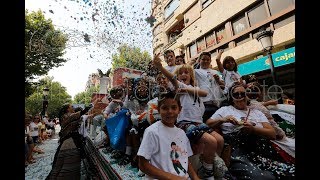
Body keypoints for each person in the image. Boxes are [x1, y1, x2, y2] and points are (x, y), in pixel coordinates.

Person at [153, 53, 226, 179]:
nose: (183, 75)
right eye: (180, 73)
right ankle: (207, 171)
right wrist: (160, 68)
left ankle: (209, 162)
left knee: (220, 140)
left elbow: (204, 93)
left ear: (191, 76)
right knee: (211, 141)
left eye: (186, 73)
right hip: (185, 123)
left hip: (199, 123)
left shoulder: (192, 88)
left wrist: (187, 89)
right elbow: (172, 79)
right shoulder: (179, 87)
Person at [206, 83, 295, 179]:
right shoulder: (224, 110)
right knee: (262, 177)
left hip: (261, 149)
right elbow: (208, 123)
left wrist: (253, 129)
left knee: (289, 172)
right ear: (231, 98)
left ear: (247, 96)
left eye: (242, 94)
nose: (240, 96)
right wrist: (223, 120)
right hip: (238, 152)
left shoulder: (257, 112)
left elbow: (272, 134)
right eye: (236, 94)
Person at [137, 91, 200, 180]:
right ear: (159, 109)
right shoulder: (152, 132)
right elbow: (143, 165)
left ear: (180, 109)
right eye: (165, 108)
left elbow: (185, 160)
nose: (170, 111)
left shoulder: (181, 133)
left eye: (174, 107)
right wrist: (173, 178)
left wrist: (195, 177)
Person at [194, 51, 226, 122]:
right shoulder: (195, 71)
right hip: (205, 104)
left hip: (217, 104)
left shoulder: (215, 72)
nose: (205, 61)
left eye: (208, 60)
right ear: (199, 60)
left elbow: (223, 86)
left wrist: (218, 80)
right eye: (203, 59)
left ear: (210, 61)